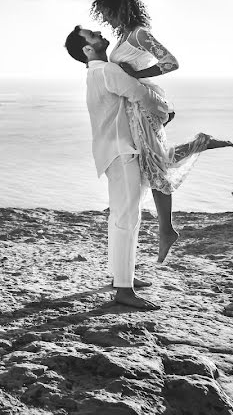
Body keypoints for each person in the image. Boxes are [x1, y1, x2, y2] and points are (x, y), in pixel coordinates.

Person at [90, 0, 233, 263]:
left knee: (154, 167)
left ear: (119, 8)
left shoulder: (140, 34)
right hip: (135, 106)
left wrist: (138, 76)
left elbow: (171, 63)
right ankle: (200, 145)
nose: (104, 18)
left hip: (143, 107)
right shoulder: (126, 36)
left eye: (107, 11)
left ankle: (167, 230)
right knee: (154, 162)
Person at [65, 26, 170, 310]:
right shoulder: (107, 72)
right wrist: (166, 113)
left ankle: (121, 276)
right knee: (127, 218)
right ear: (88, 50)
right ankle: (125, 289)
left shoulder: (94, 74)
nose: (98, 32)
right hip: (122, 152)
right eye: (92, 35)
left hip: (110, 152)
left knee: (118, 217)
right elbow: (141, 95)